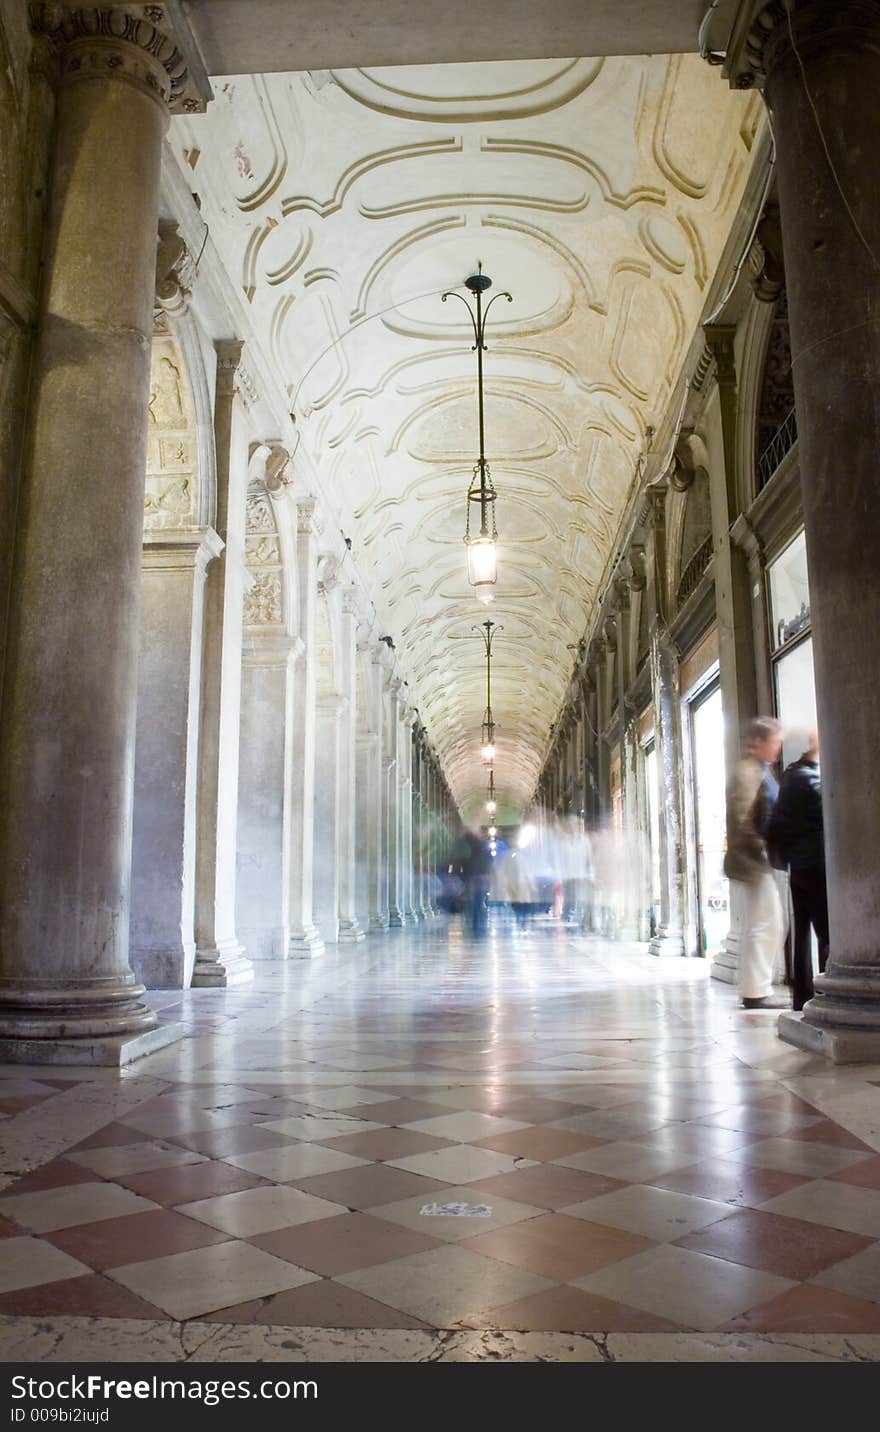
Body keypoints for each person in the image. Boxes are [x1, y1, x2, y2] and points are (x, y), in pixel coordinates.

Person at [724, 716, 788, 1009]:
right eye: (774, 743)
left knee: (766, 922)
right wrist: (760, 847)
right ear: (759, 743)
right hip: (753, 859)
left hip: (757, 858)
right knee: (767, 922)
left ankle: (755, 988)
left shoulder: (759, 769)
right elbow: (743, 815)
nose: (777, 749)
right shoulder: (749, 771)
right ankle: (755, 991)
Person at [768, 729, 828, 1011]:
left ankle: (801, 996)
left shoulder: (789, 777)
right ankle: (831, 994)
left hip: (798, 868)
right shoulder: (810, 779)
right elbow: (827, 813)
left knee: (802, 935)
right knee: (827, 934)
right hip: (817, 866)